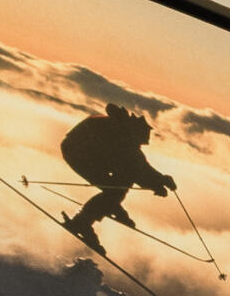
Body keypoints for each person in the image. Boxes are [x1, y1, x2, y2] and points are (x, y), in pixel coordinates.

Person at [57, 103, 174, 246]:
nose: (140, 145)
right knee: (115, 187)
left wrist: (158, 182)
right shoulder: (124, 138)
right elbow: (137, 168)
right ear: (137, 133)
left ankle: (109, 207)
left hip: (77, 148)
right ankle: (82, 222)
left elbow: (138, 166)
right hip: (78, 152)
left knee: (115, 187)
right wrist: (158, 182)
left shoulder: (122, 129)